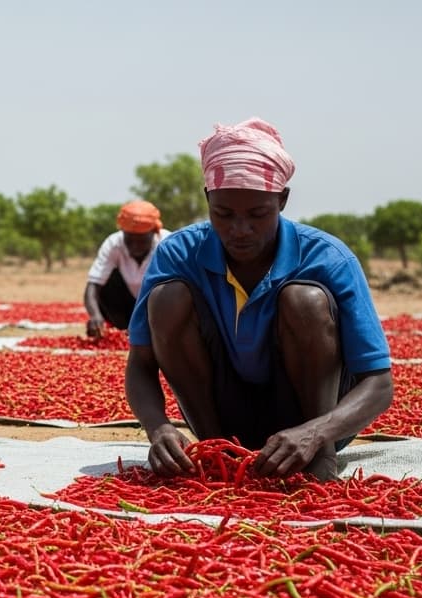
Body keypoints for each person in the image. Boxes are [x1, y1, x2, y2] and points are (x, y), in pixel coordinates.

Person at [124, 117, 393, 481]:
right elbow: (140, 363)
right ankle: (218, 450)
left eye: (257, 214)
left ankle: (320, 459)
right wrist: (158, 427)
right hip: (223, 411)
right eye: (223, 214)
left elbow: (378, 383)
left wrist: (317, 433)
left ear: (282, 200)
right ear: (207, 200)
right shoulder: (178, 253)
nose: (240, 230)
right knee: (166, 298)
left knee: (305, 300)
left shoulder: (328, 258)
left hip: (311, 421)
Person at [84, 200, 170, 337]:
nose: (135, 246)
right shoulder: (113, 243)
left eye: (142, 240)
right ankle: (125, 327)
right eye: (130, 240)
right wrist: (95, 316)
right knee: (106, 279)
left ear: (154, 232)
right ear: (122, 232)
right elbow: (93, 286)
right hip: (125, 309)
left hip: (159, 308)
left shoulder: (168, 243)